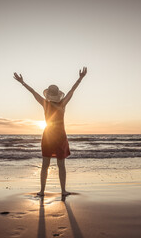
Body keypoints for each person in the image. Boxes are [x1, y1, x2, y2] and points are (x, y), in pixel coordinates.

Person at [13, 67, 87, 196]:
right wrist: (80, 78)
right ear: (58, 94)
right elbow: (72, 90)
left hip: (48, 135)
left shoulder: (45, 103)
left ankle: (42, 191)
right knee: (61, 165)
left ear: (48, 94)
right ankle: (62, 191)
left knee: (45, 165)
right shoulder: (62, 104)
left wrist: (22, 82)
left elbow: (33, 92)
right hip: (59, 136)